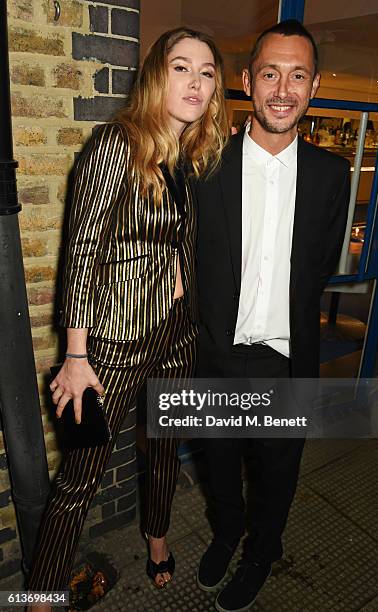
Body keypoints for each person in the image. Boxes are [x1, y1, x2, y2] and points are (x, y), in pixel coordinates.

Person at [27, 27, 228, 609]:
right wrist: (76, 354)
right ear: (155, 76)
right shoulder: (118, 144)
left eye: (207, 72)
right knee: (80, 479)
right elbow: (81, 251)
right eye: (181, 66)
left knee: (164, 447)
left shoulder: (190, 153)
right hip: (113, 344)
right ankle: (39, 599)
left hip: (177, 335)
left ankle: (158, 540)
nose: (195, 81)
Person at [195, 19, 350, 612]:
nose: (282, 88)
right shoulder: (204, 165)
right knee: (219, 463)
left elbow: (317, 271)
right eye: (270, 73)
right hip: (217, 354)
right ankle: (228, 532)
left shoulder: (331, 176)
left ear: (312, 87)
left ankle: (262, 550)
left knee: (277, 475)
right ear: (246, 81)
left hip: (287, 361)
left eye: (297, 75)